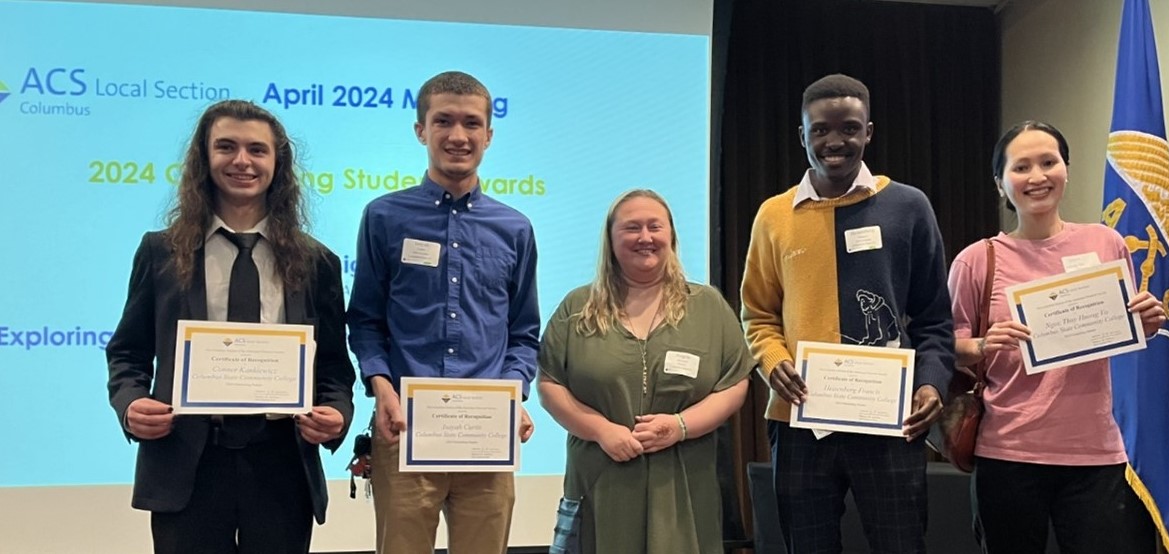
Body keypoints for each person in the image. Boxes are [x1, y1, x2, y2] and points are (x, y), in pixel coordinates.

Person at [105, 99, 356, 553]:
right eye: (226, 147)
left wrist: (336, 413)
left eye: (257, 150)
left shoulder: (316, 262)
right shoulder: (161, 252)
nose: (242, 161)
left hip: (281, 464)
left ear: (277, 163)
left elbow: (335, 369)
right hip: (187, 464)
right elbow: (127, 352)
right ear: (205, 158)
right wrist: (131, 403)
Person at [740, 73, 955, 553]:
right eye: (820, 130)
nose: (835, 141)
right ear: (802, 135)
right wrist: (773, 362)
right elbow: (756, 314)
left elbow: (935, 318)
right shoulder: (773, 216)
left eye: (849, 128)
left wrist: (931, 382)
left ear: (869, 132)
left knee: (902, 545)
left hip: (890, 420)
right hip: (801, 420)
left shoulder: (907, 206)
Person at [346, 70, 539, 554]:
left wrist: (515, 392)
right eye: (443, 121)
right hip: (404, 431)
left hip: (487, 437)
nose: (458, 135)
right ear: (421, 130)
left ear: (489, 135)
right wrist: (382, 388)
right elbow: (365, 321)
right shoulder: (384, 217)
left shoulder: (515, 228)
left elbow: (524, 333)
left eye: (472, 123)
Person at [948, 120, 1164, 553]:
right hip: (1008, 454)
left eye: (1049, 162)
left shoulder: (1105, 243)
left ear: (1066, 168)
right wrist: (984, 345)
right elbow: (945, 346)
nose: (1037, 176)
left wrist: (1147, 320)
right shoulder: (977, 259)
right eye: (1021, 167)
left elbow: (1123, 327)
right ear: (1000, 182)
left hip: (1096, 453)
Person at [538, 189, 752, 554]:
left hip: (683, 481)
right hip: (599, 478)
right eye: (631, 228)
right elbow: (549, 384)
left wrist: (680, 426)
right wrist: (601, 430)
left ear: (671, 235)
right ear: (611, 238)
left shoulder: (707, 306)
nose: (645, 237)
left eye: (655, 226)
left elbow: (734, 383)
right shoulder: (578, 308)